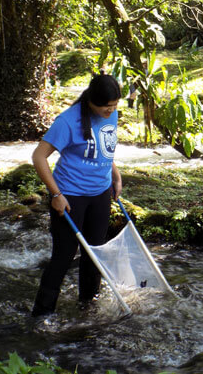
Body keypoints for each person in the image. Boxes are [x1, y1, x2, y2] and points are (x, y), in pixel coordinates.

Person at [31, 73, 123, 317]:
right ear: (91, 101)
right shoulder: (67, 121)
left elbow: (104, 149)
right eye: (106, 106)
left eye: (115, 105)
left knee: (95, 253)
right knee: (63, 257)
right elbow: (38, 157)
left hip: (100, 194)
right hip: (70, 197)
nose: (111, 111)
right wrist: (56, 194)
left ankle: (87, 307)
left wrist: (114, 175)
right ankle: (42, 315)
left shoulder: (111, 113)